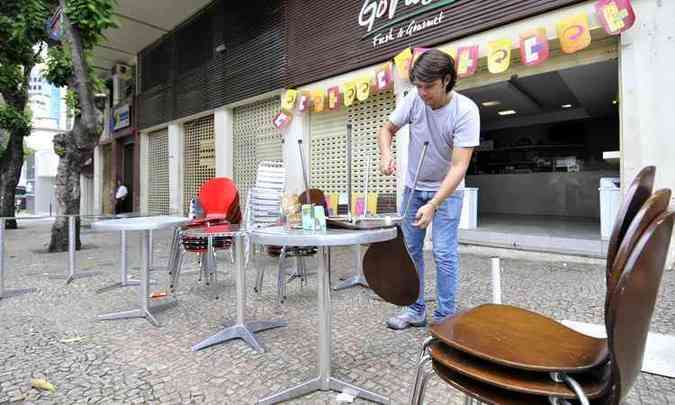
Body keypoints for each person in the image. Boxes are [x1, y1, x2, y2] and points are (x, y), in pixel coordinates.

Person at [377, 49, 480, 330]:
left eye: (429, 86)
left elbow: (459, 167)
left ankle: (446, 317)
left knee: (444, 252)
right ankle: (415, 310)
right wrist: (386, 155)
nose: (422, 93)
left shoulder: (466, 111)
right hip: (413, 188)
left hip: (448, 192)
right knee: (410, 250)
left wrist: (434, 203)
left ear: (446, 80)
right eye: (418, 86)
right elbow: (386, 130)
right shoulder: (414, 100)